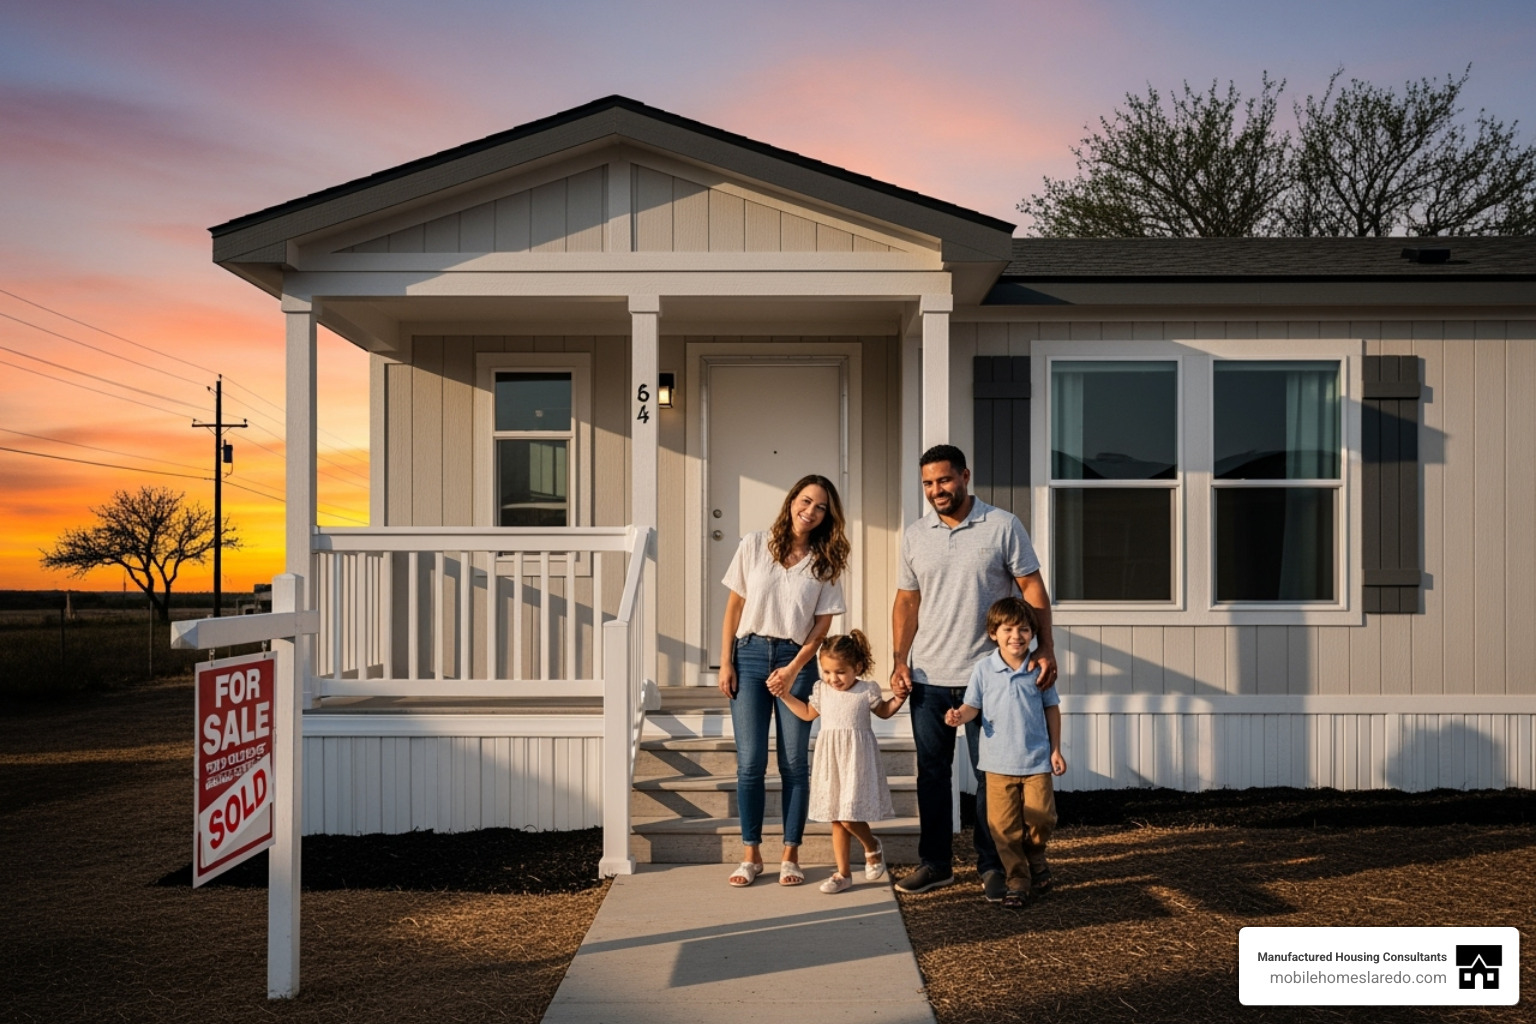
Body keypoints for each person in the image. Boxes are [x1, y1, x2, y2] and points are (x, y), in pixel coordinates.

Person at [890, 444, 1057, 900]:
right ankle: (936, 864)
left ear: (965, 475)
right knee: (931, 773)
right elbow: (907, 600)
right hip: (928, 676)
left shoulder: (1002, 525)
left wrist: (1045, 647)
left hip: (991, 677)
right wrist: (899, 659)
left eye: (944, 480)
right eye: (927, 483)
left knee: (993, 777)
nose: (936, 490)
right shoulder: (915, 535)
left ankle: (994, 865)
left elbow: (1031, 587)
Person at [718, 474, 850, 887]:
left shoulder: (825, 561)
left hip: (798, 661)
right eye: (805, 500)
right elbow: (734, 606)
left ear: (828, 516)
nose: (809, 512)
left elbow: (822, 626)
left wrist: (793, 668)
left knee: (794, 763)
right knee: (750, 762)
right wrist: (726, 662)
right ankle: (751, 854)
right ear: (792, 499)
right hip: (750, 656)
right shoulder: (754, 544)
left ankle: (790, 854)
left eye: (820, 507)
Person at [945, 597, 1066, 908]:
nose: (1016, 635)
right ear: (993, 633)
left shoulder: (1039, 668)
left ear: (1033, 633)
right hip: (997, 765)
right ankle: (1018, 880)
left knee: (1042, 818)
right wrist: (960, 715)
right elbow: (973, 706)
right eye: (1008, 629)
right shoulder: (984, 669)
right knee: (1003, 828)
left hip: (1036, 761)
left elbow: (1052, 708)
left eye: (1024, 629)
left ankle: (1035, 855)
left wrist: (1055, 750)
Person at [772, 631, 905, 893]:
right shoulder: (822, 690)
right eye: (828, 671)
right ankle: (843, 874)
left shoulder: (866, 690)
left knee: (847, 815)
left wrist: (900, 698)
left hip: (857, 760)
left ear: (857, 667)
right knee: (837, 816)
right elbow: (809, 714)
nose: (834, 679)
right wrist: (785, 695)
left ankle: (871, 846)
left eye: (840, 672)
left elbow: (885, 712)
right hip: (831, 760)